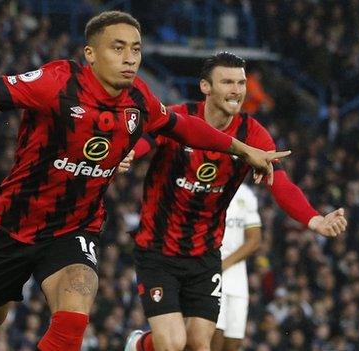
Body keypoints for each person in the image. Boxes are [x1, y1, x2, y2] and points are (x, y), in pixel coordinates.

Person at [0, 12, 288, 351]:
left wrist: (244, 150)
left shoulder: (140, 99)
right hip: (11, 226)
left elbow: (184, 127)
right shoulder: (56, 83)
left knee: (74, 316)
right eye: (118, 48)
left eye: (137, 49)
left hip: (74, 229)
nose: (130, 59)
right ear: (90, 54)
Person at [124, 52, 347, 351]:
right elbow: (143, 139)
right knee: (172, 344)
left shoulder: (253, 133)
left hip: (205, 253)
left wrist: (314, 219)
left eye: (241, 82)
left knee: (199, 344)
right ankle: (139, 344)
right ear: (205, 86)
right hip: (157, 249)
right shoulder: (177, 116)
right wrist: (127, 153)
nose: (237, 90)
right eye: (227, 82)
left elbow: (280, 183)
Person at [210, 184, 262, 351]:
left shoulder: (246, 194)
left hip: (238, 280)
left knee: (234, 343)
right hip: (210, 275)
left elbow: (254, 241)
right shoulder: (208, 187)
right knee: (213, 339)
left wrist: (224, 264)